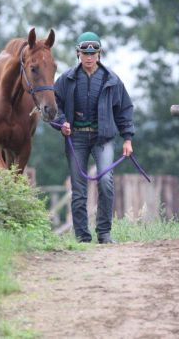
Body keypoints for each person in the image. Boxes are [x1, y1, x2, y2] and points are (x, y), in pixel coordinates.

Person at [52, 31, 135, 244]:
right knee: (78, 189)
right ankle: (82, 237)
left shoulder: (113, 80)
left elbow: (124, 110)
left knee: (106, 183)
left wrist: (127, 138)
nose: (89, 57)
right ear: (77, 54)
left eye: (93, 53)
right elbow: (54, 106)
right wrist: (61, 123)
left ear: (99, 54)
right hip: (76, 138)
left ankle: (104, 233)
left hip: (103, 138)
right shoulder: (65, 79)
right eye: (84, 53)